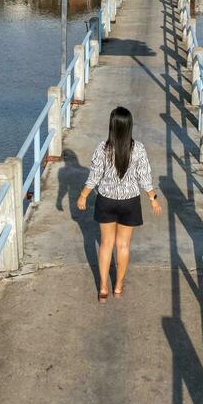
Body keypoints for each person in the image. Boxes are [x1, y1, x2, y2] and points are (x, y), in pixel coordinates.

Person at [75, 106, 162, 302]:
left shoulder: (102, 148)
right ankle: (119, 286)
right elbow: (144, 177)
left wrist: (83, 196)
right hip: (130, 203)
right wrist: (153, 199)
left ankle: (103, 287)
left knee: (106, 244)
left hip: (106, 200)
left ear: (112, 126)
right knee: (123, 245)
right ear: (129, 126)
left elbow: (94, 176)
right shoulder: (138, 148)